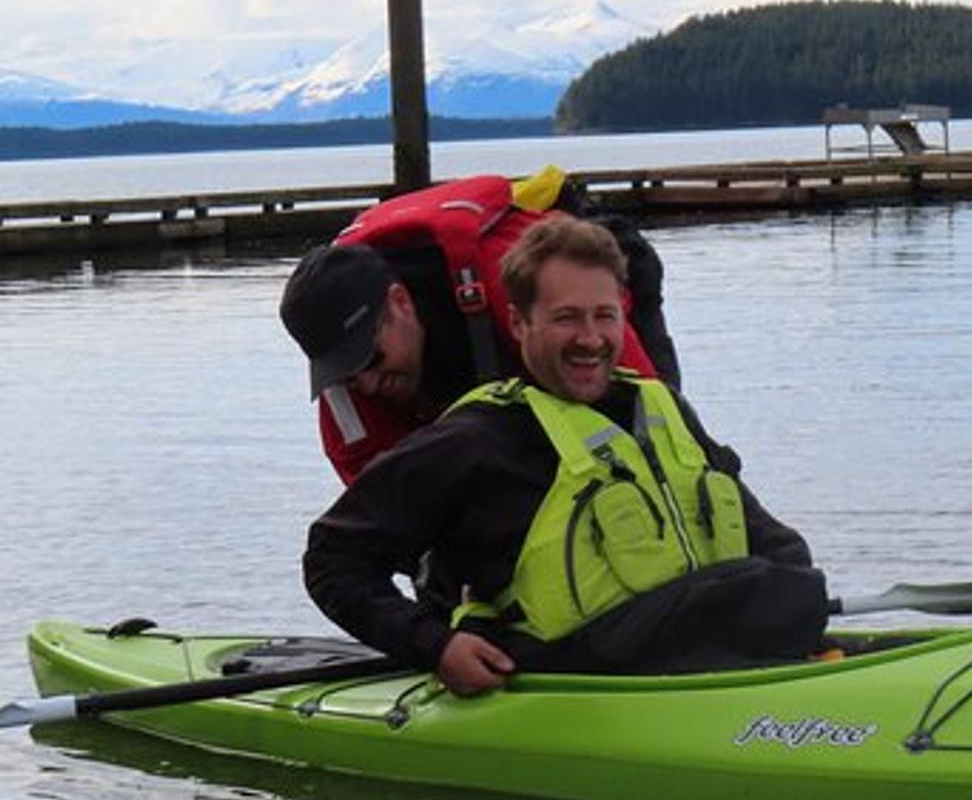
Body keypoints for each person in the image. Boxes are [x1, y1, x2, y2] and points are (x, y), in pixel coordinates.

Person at [302, 215, 827, 689]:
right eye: (566, 319)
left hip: (722, 663)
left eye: (603, 317)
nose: (590, 338)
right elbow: (333, 559)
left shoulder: (663, 412)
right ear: (518, 324)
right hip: (578, 686)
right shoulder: (473, 441)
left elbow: (777, 546)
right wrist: (436, 645)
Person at [279, 170, 681, 484]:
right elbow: (376, 506)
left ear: (400, 303)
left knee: (658, 445)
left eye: (371, 358)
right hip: (471, 372)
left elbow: (643, 403)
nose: (365, 383)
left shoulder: (512, 280)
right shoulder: (336, 355)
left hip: (597, 272)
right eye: (347, 374)